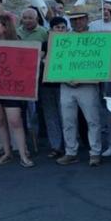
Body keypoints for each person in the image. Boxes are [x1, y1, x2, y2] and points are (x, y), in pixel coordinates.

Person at [0, 14, 35, 168]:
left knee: (15, 121)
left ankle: (23, 154)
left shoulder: (17, 43)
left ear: (5, 27)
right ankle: (7, 152)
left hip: (12, 88)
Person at [56, 9, 103, 167]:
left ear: (87, 19)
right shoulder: (63, 40)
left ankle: (95, 152)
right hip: (66, 85)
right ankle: (70, 152)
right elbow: (56, 63)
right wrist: (66, 79)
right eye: (74, 19)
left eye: (80, 18)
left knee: (93, 120)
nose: (77, 22)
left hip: (88, 85)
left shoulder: (97, 39)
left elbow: (100, 63)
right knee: (68, 120)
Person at [39, 17, 67, 158]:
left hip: (65, 85)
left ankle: (68, 146)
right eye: (57, 27)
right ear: (51, 30)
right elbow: (38, 60)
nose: (60, 30)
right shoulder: (45, 45)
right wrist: (42, 60)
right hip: (47, 85)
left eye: (63, 27)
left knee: (65, 116)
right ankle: (56, 146)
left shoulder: (71, 43)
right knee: (51, 116)